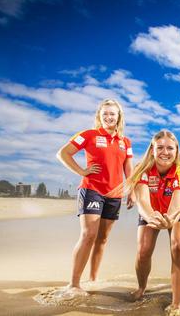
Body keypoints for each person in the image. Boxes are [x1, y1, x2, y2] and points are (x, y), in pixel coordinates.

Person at [56, 98, 133, 295]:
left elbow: (128, 167)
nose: (108, 117)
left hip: (114, 195)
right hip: (92, 189)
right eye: (105, 113)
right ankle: (74, 284)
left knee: (102, 239)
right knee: (88, 235)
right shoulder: (88, 135)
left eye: (112, 114)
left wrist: (131, 189)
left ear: (118, 117)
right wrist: (81, 171)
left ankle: (93, 280)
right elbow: (63, 153)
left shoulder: (125, 141)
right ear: (99, 116)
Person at [123, 130, 180, 311]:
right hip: (150, 211)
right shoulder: (142, 169)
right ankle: (141, 287)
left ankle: (176, 303)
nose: (165, 152)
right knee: (143, 251)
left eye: (170, 148)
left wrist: (169, 220)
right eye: (160, 147)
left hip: (177, 210)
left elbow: (177, 205)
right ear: (152, 149)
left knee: (178, 245)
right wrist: (151, 217)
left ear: (176, 150)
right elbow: (143, 202)